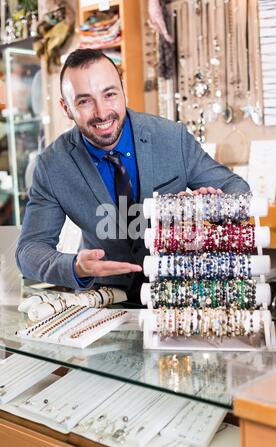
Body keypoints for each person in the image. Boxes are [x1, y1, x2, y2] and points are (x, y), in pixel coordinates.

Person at [16, 48, 250, 304]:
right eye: (84, 101)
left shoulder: (172, 138)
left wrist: (212, 208)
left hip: (176, 299)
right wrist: (75, 267)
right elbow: (29, 251)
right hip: (103, 304)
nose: (102, 112)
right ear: (66, 108)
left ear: (122, 89)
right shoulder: (52, 166)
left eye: (109, 94)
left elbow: (237, 188)